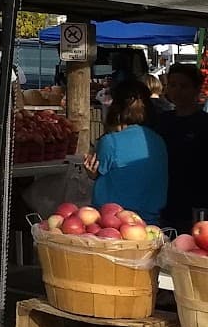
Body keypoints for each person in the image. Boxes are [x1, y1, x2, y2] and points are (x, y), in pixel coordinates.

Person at [85, 83, 168, 224]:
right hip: (151, 222)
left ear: (115, 108)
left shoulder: (110, 141)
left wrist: (91, 174)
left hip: (113, 223)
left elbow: (97, 171)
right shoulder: (157, 140)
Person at [152, 63, 207, 231]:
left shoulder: (204, 124)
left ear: (197, 89)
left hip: (198, 201)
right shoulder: (162, 121)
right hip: (165, 199)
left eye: (184, 86)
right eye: (173, 85)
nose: (177, 91)